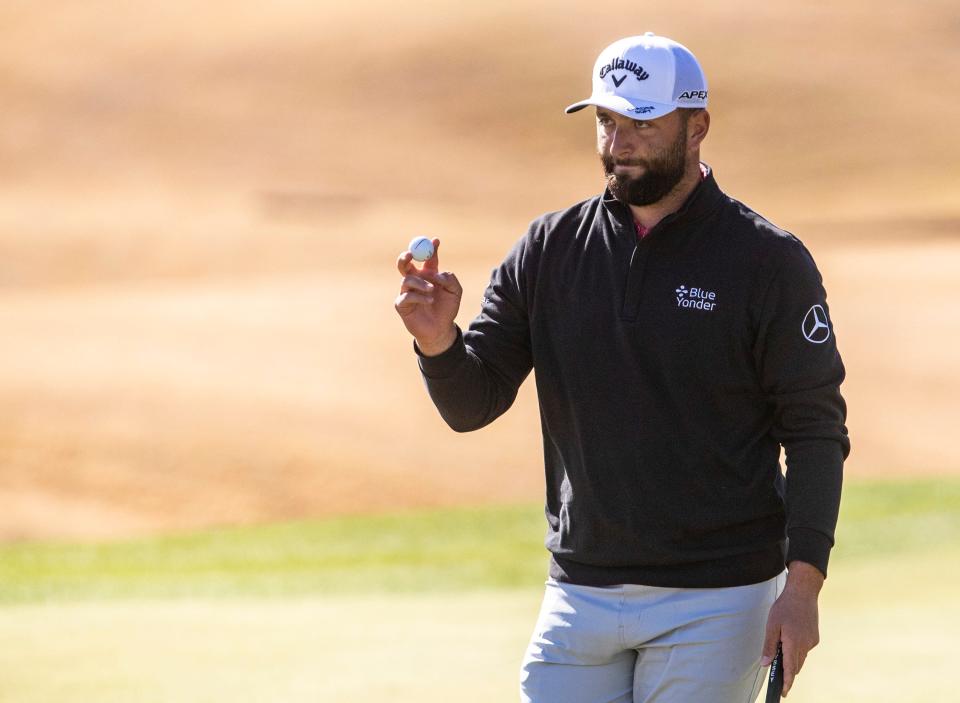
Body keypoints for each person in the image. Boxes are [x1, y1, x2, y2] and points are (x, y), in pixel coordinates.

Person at [394, 32, 849, 703]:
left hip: (718, 597)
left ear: (698, 127)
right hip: (580, 588)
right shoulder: (549, 248)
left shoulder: (767, 262)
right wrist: (438, 344)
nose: (619, 141)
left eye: (641, 121)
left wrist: (802, 586)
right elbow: (474, 402)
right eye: (607, 120)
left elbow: (815, 430)